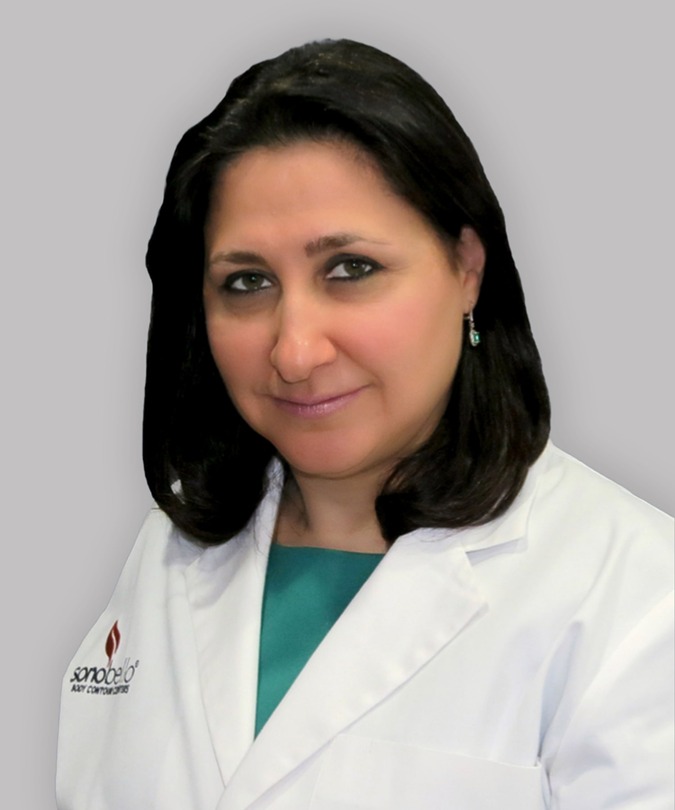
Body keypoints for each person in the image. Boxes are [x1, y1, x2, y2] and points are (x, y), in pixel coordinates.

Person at [56, 39, 673, 810]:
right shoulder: (167, 556)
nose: (294, 349)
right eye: (246, 283)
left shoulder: (638, 598)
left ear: (465, 268)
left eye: (349, 269)